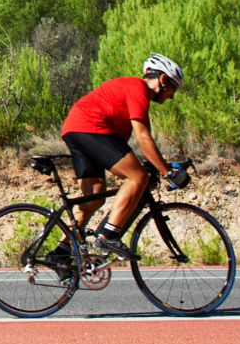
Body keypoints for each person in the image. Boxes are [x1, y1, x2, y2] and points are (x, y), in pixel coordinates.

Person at [58, 54, 190, 260]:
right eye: (173, 88)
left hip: (76, 128)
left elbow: (118, 149)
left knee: (94, 198)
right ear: (163, 80)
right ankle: (109, 234)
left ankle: (60, 252)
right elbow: (143, 137)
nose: (172, 96)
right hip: (89, 126)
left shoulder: (130, 95)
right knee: (137, 177)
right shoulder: (138, 88)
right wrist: (167, 172)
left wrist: (156, 165)